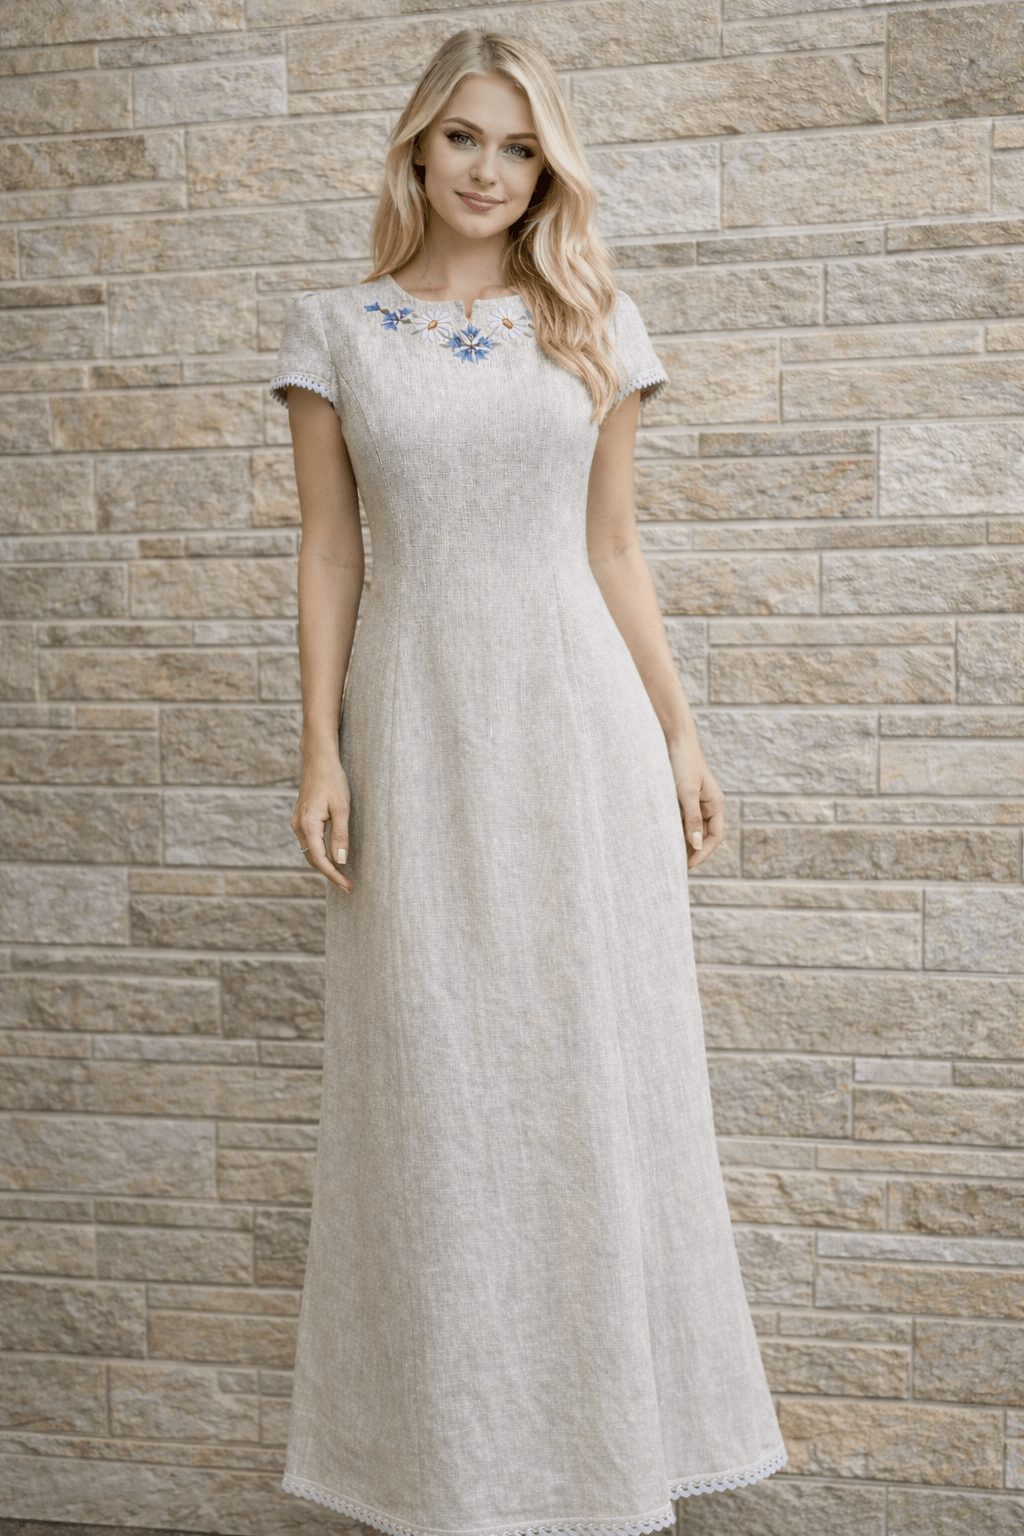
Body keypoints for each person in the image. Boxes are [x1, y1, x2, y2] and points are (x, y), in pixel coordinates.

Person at [269, 27, 786, 1536]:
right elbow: (330, 551)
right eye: (464, 139)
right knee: (438, 1088)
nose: (489, 171)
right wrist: (320, 746)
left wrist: (680, 733)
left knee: (589, 1076)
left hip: (582, 735)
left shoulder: (594, 320)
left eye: (518, 148)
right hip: (419, 730)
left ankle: (605, 1466)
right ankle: (452, 1474)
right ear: (416, 148)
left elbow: (613, 546)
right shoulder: (336, 331)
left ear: (546, 168)